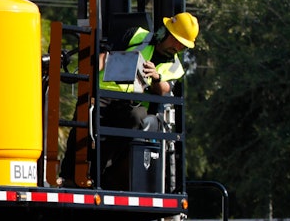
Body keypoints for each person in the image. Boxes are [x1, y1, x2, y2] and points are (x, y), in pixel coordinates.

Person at [60, 12, 199, 185]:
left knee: (135, 118)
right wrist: (89, 74)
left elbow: (165, 89)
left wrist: (156, 77)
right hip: (104, 93)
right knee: (85, 116)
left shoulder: (176, 68)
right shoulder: (135, 35)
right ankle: (67, 176)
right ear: (164, 32)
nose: (177, 47)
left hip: (134, 103)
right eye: (176, 40)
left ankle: (98, 174)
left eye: (183, 45)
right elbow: (104, 56)